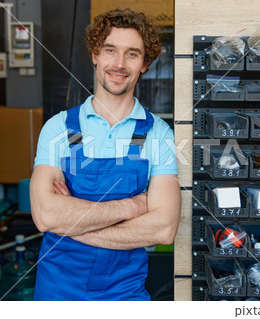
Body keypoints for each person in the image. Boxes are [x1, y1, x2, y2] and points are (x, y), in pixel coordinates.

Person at [29, 8, 181, 301]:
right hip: (58, 291)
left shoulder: (157, 133)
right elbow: (46, 216)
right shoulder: (59, 127)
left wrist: (74, 226)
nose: (119, 64)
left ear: (145, 64)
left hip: (125, 293)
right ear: (95, 55)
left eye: (132, 54)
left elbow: (163, 229)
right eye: (110, 50)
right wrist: (134, 207)